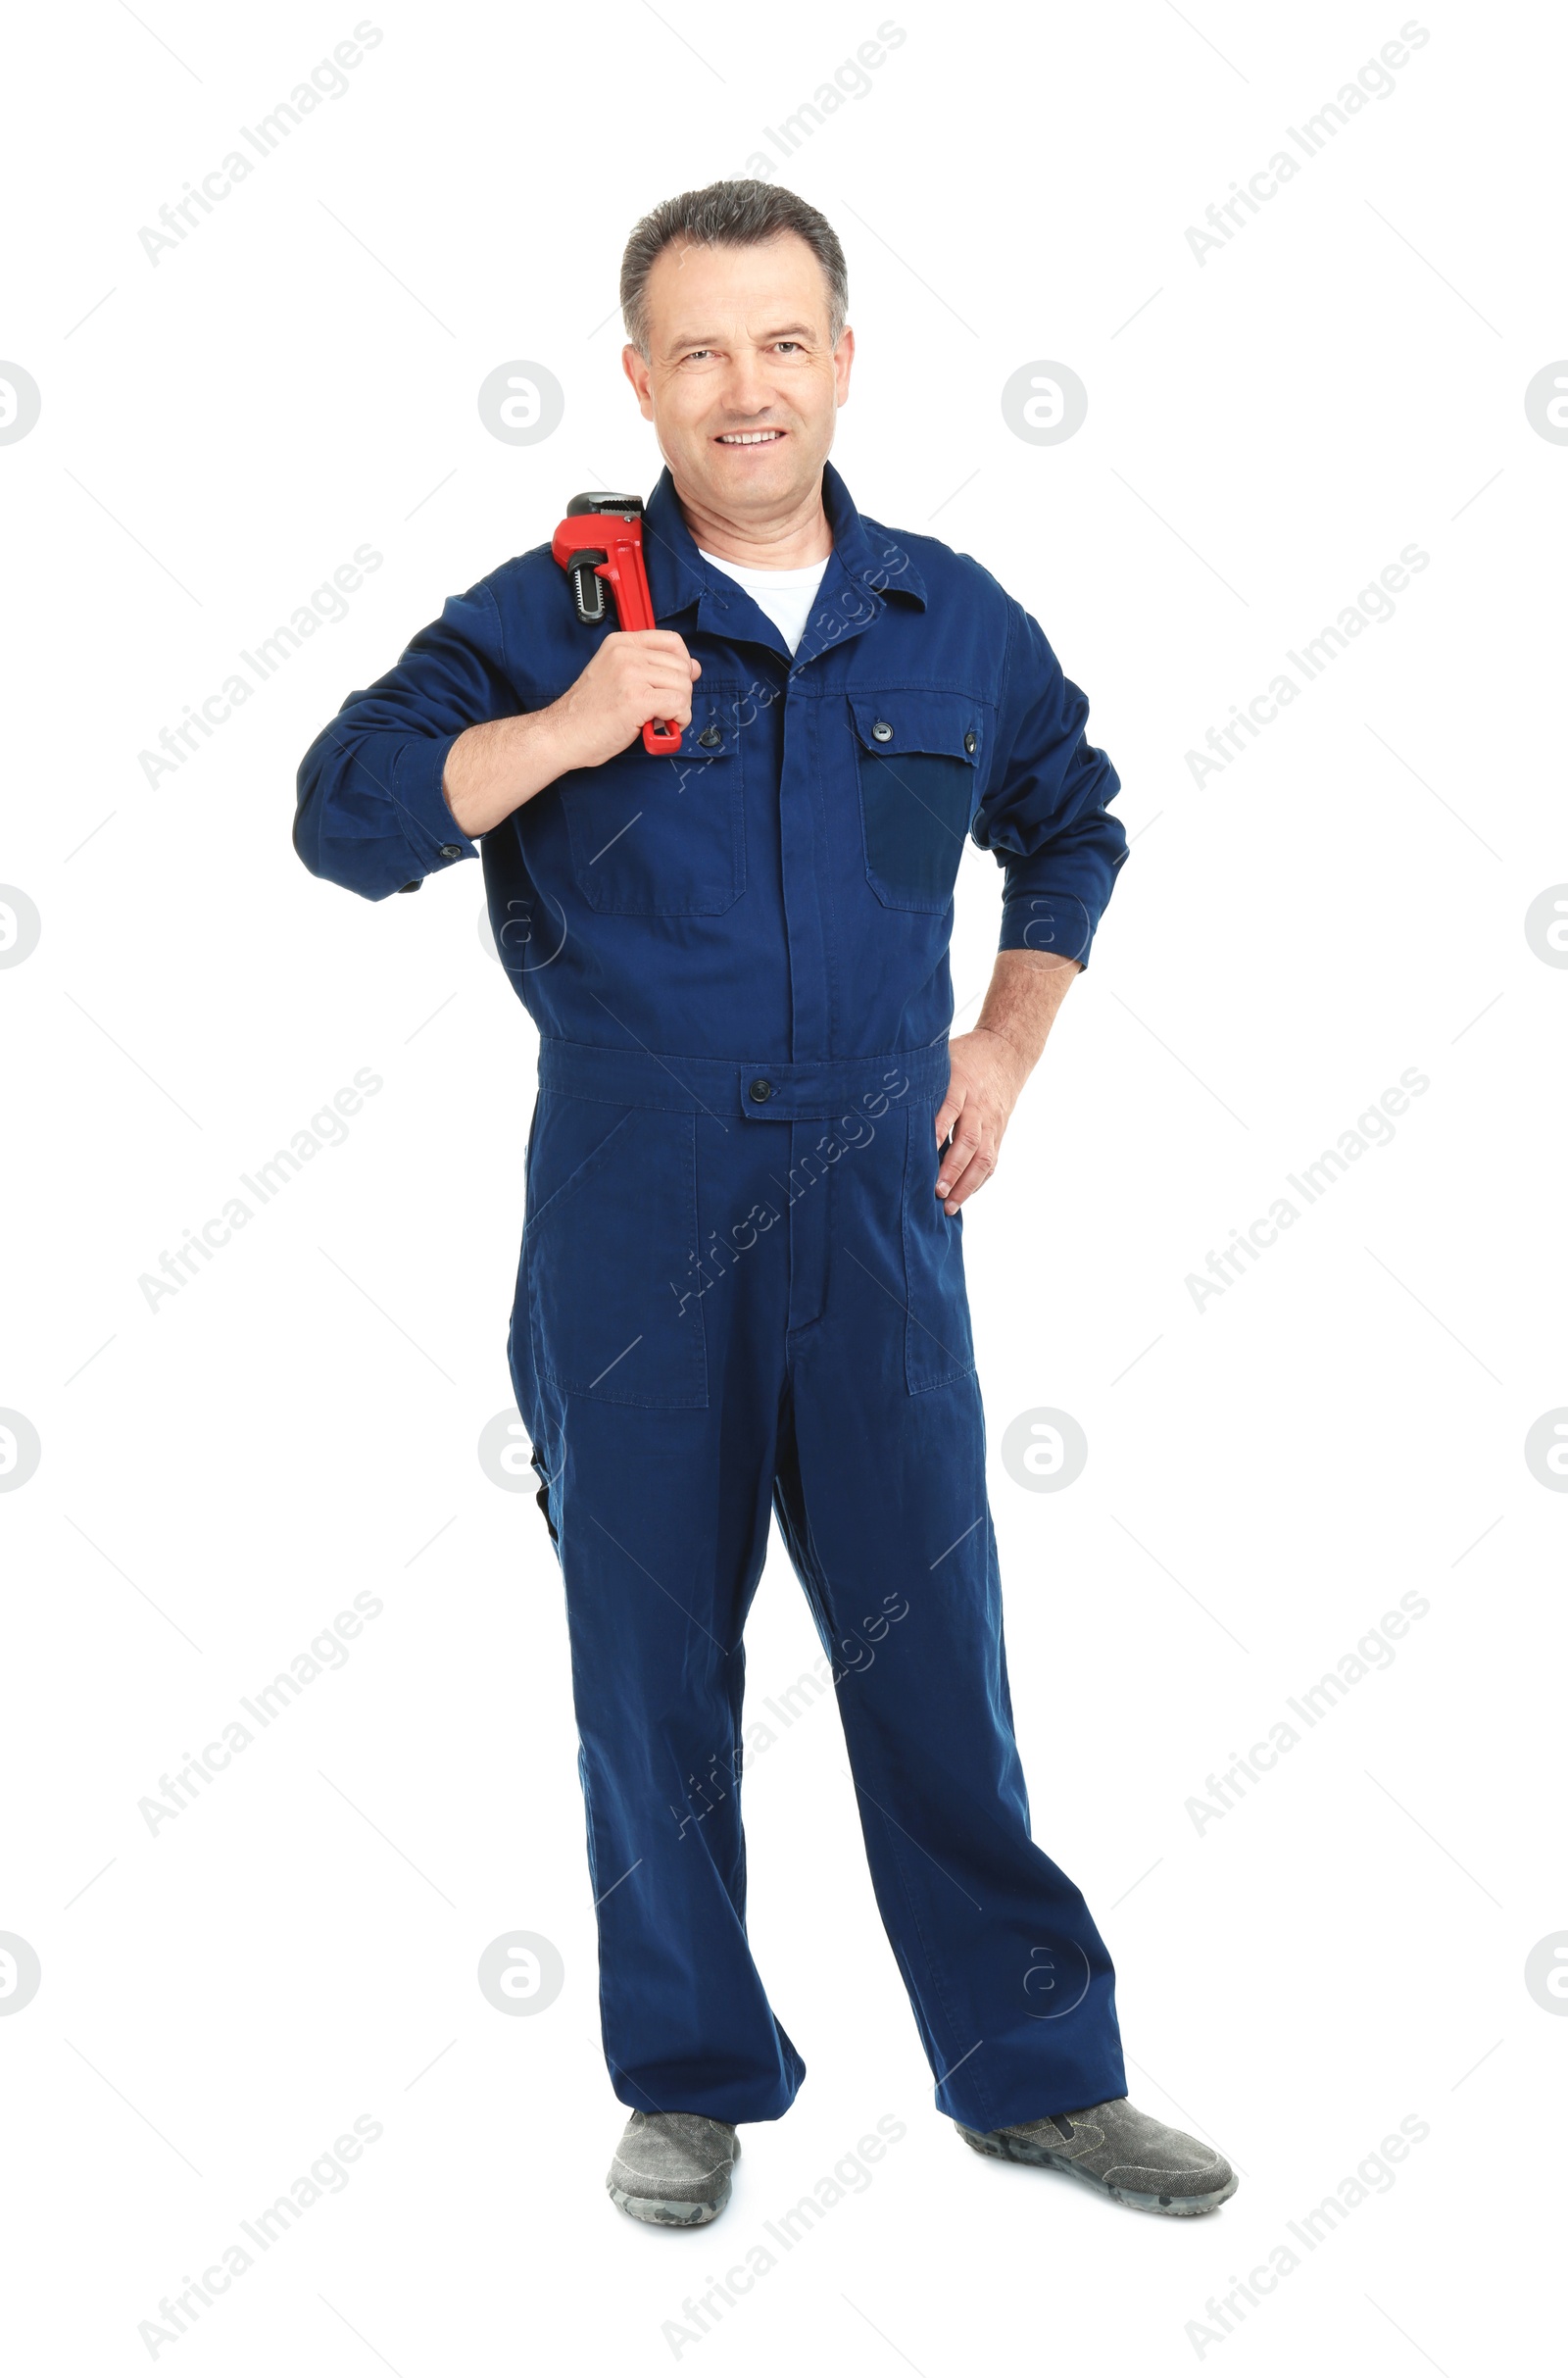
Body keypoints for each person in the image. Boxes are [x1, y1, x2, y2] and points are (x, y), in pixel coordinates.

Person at [294, 179, 1237, 2229]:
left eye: (781, 341)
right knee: (650, 1663)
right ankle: (694, 2076)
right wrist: (558, 724)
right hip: (635, 1201)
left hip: (881, 1206)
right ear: (638, 377)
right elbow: (344, 821)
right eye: (698, 349)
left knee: (935, 1648)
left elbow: (1068, 815)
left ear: (840, 360)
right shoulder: (556, 604)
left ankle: (1032, 2074)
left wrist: (1003, 1044)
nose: (744, 388)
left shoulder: (945, 612)